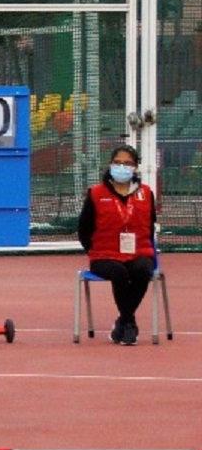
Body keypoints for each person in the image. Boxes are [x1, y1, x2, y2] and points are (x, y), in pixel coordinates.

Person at [77, 145, 156, 346]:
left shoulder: (146, 193)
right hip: (104, 256)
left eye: (128, 163)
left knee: (143, 269)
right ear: (110, 165)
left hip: (138, 252)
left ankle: (123, 321)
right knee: (119, 272)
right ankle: (130, 323)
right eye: (118, 162)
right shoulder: (95, 193)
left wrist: (142, 251)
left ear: (136, 168)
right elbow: (84, 229)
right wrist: (94, 251)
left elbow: (150, 225)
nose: (122, 167)